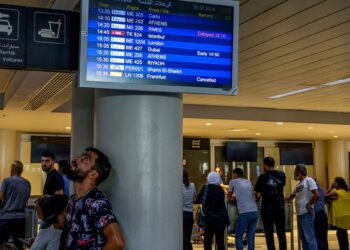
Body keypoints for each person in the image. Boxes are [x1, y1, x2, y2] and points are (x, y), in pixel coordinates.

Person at [65, 147, 125, 249]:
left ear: (93, 174)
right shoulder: (72, 201)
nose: (77, 158)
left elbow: (117, 241)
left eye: (85, 159)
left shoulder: (97, 202)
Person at [254, 157, 287, 250]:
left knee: (269, 234)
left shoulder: (262, 177)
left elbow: (258, 195)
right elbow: (280, 187)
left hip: (267, 209)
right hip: (280, 207)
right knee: (281, 233)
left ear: (265, 165)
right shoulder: (282, 175)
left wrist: (256, 195)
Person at [285, 164, 319, 250]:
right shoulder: (297, 185)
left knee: (309, 238)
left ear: (299, 171)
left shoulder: (309, 180)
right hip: (300, 214)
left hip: (306, 213)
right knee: (303, 238)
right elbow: (290, 197)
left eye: (295, 171)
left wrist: (309, 204)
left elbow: (316, 195)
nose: (293, 173)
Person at [0, 161, 31, 250]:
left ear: (11, 169)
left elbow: (0, 198)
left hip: (6, 217)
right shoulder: (27, 183)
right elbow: (26, 201)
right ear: (22, 170)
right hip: (21, 218)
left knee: (2, 243)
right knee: (19, 244)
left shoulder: (6, 181)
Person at [196, 172, 230, 250]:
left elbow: (198, 200)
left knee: (208, 241)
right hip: (221, 219)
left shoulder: (205, 188)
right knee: (220, 241)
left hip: (208, 219)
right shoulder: (221, 190)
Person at [227, 168, 258, 250]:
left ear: (235, 174)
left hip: (244, 213)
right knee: (250, 236)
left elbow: (228, 196)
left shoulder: (232, 181)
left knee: (239, 236)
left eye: (232, 174)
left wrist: (233, 197)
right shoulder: (248, 182)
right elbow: (249, 195)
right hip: (254, 211)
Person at [325, 177, 350, 250]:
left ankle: (343, 248)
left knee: (340, 234)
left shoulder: (335, 192)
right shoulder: (347, 191)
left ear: (338, 184)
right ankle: (346, 248)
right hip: (347, 215)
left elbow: (322, 196)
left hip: (340, 215)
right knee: (343, 233)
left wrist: (330, 188)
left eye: (335, 182)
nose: (333, 184)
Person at [312, 177, 328, 250]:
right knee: (322, 236)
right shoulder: (320, 189)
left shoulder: (316, 190)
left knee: (319, 236)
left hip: (319, 215)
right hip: (321, 214)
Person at [183, 170, 196, 250]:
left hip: (182, 213)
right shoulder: (193, 185)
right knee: (188, 236)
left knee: (183, 237)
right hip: (190, 213)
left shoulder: (179, 186)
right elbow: (194, 199)